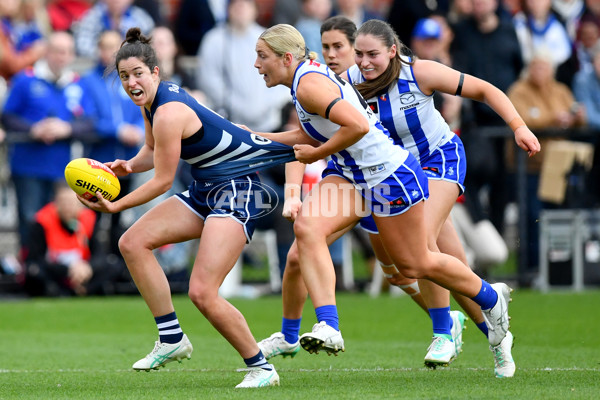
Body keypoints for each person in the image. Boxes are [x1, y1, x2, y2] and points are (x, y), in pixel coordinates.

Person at [253, 22, 539, 375]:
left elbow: (482, 90)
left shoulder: (419, 72)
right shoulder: (337, 79)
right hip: (363, 174)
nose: (359, 60)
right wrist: (281, 173)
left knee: (423, 258)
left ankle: (461, 330)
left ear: (393, 51)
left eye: (367, 53)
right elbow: (307, 136)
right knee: (332, 249)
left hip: (431, 164)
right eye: (355, 53)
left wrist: (518, 125)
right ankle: (306, 331)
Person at [77, 27, 296, 388]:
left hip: (236, 190)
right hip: (206, 190)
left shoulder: (167, 112)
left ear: (156, 72)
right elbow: (152, 152)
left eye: (138, 74)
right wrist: (129, 166)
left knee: (202, 291)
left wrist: (115, 206)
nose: (131, 82)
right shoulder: (152, 104)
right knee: (132, 243)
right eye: (124, 76)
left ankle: (262, 368)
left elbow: (163, 181)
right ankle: (171, 338)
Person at [1, 30, 95, 252]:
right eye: (57, 51)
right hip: (28, 164)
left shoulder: (76, 84)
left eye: (67, 52)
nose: (62, 57)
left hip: (61, 168)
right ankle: (30, 270)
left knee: (60, 218)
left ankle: (54, 272)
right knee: (30, 218)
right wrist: (33, 129)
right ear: (47, 52)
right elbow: (7, 116)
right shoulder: (26, 79)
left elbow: (90, 121)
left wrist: (67, 128)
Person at [80, 29, 145, 256]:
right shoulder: (89, 81)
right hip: (99, 161)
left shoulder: (128, 78)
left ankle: (116, 267)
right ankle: (94, 264)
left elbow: (142, 106)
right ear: (98, 50)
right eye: (106, 47)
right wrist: (117, 130)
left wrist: (137, 128)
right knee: (95, 216)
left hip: (128, 160)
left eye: (114, 48)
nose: (110, 53)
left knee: (120, 216)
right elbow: (87, 119)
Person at [23, 182, 127, 297]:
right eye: (63, 203)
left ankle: (82, 290)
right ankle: (63, 292)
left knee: (114, 265)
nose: (68, 207)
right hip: (56, 272)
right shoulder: (42, 221)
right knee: (33, 272)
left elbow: (99, 254)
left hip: (83, 270)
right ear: (55, 204)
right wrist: (68, 269)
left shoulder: (89, 219)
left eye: (72, 203)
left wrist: (88, 267)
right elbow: (35, 259)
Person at [72, 0, 155, 59]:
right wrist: (104, 54)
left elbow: (149, 45)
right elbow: (82, 45)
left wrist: (123, 54)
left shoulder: (141, 18)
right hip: (98, 68)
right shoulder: (92, 16)